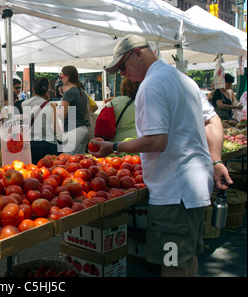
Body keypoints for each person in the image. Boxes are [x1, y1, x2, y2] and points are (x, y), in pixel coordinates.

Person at [89, 34, 232, 277]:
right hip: (196, 187)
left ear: (137, 53)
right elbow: (213, 120)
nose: (122, 74)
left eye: (122, 66)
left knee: (172, 261)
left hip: (174, 194)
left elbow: (157, 141)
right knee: (188, 256)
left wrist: (113, 147)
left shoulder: (152, 85)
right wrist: (216, 160)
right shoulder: (183, 79)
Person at [21, 77, 60, 164]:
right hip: (48, 144)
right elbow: (55, 130)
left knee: (32, 172)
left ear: (33, 89)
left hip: (30, 144)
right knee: (49, 173)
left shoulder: (24, 104)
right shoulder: (51, 105)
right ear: (46, 90)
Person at [59, 65, 90, 155]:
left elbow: (62, 116)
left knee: (68, 162)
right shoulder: (82, 92)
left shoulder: (69, 93)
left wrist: (54, 108)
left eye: (61, 76)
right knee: (79, 163)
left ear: (67, 77)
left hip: (73, 131)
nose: (61, 79)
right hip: (83, 130)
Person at [103, 77, 140, 142]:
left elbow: (103, 123)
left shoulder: (114, 103)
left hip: (117, 143)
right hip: (139, 140)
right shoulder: (144, 102)